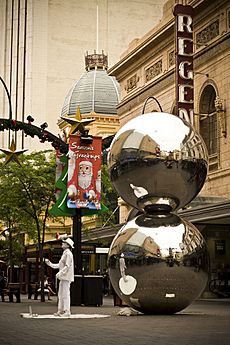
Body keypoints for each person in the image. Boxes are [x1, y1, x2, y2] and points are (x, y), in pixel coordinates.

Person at [45, 238, 74, 317]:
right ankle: (60, 310)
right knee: (61, 294)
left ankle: (67, 311)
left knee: (65, 294)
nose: (62, 244)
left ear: (67, 245)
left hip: (66, 277)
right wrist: (50, 264)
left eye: (64, 243)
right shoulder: (65, 253)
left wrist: (60, 273)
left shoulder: (68, 254)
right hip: (63, 277)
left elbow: (67, 266)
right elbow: (59, 265)